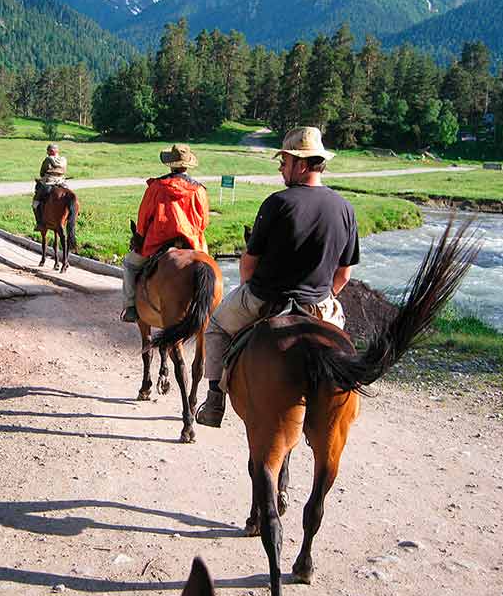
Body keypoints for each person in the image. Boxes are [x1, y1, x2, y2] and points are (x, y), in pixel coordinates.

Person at [195, 126, 360, 427]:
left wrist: (247, 290)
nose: (281, 168)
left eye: (284, 162)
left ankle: (215, 401)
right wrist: (323, 295)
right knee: (343, 348)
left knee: (216, 327)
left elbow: (249, 264)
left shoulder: (278, 202)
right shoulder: (345, 209)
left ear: (301, 164)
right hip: (319, 305)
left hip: (265, 298)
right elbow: (344, 274)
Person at [121, 144, 210, 323]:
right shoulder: (199, 190)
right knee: (208, 270)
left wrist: (140, 236)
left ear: (170, 164)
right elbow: (203, 222)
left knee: (129, 265)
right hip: (192, 242)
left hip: (158, 242)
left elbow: (144, 217)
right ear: (187, 165)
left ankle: (130, 307)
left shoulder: (156, 187)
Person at [33, 143, 67, 230]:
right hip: (62, 182)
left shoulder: (48, 159)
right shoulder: (63, 159)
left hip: (49, 182)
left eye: (48, 151)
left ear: (51, 151)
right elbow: (64, 171)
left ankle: (39, 223)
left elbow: (42, 173)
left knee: (35, 202)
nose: (47, 153)